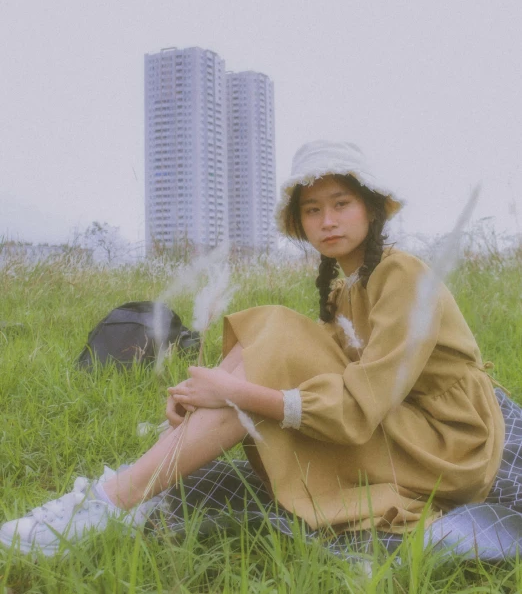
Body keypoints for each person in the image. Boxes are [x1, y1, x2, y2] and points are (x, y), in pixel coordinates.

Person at [0, 140, 505, 557]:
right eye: (313, 210)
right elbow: (318, 360)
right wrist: (213, 390)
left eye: (341, 204)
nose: (327, 220)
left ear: (370, 211)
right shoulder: (345, 284)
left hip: (447, 446)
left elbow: (357, 408)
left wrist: (234, 392)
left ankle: (110, 503)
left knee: (273, 346)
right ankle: (124, 496)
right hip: (403, 422)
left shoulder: (403, 274)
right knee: (274, 325)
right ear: (301, 223)